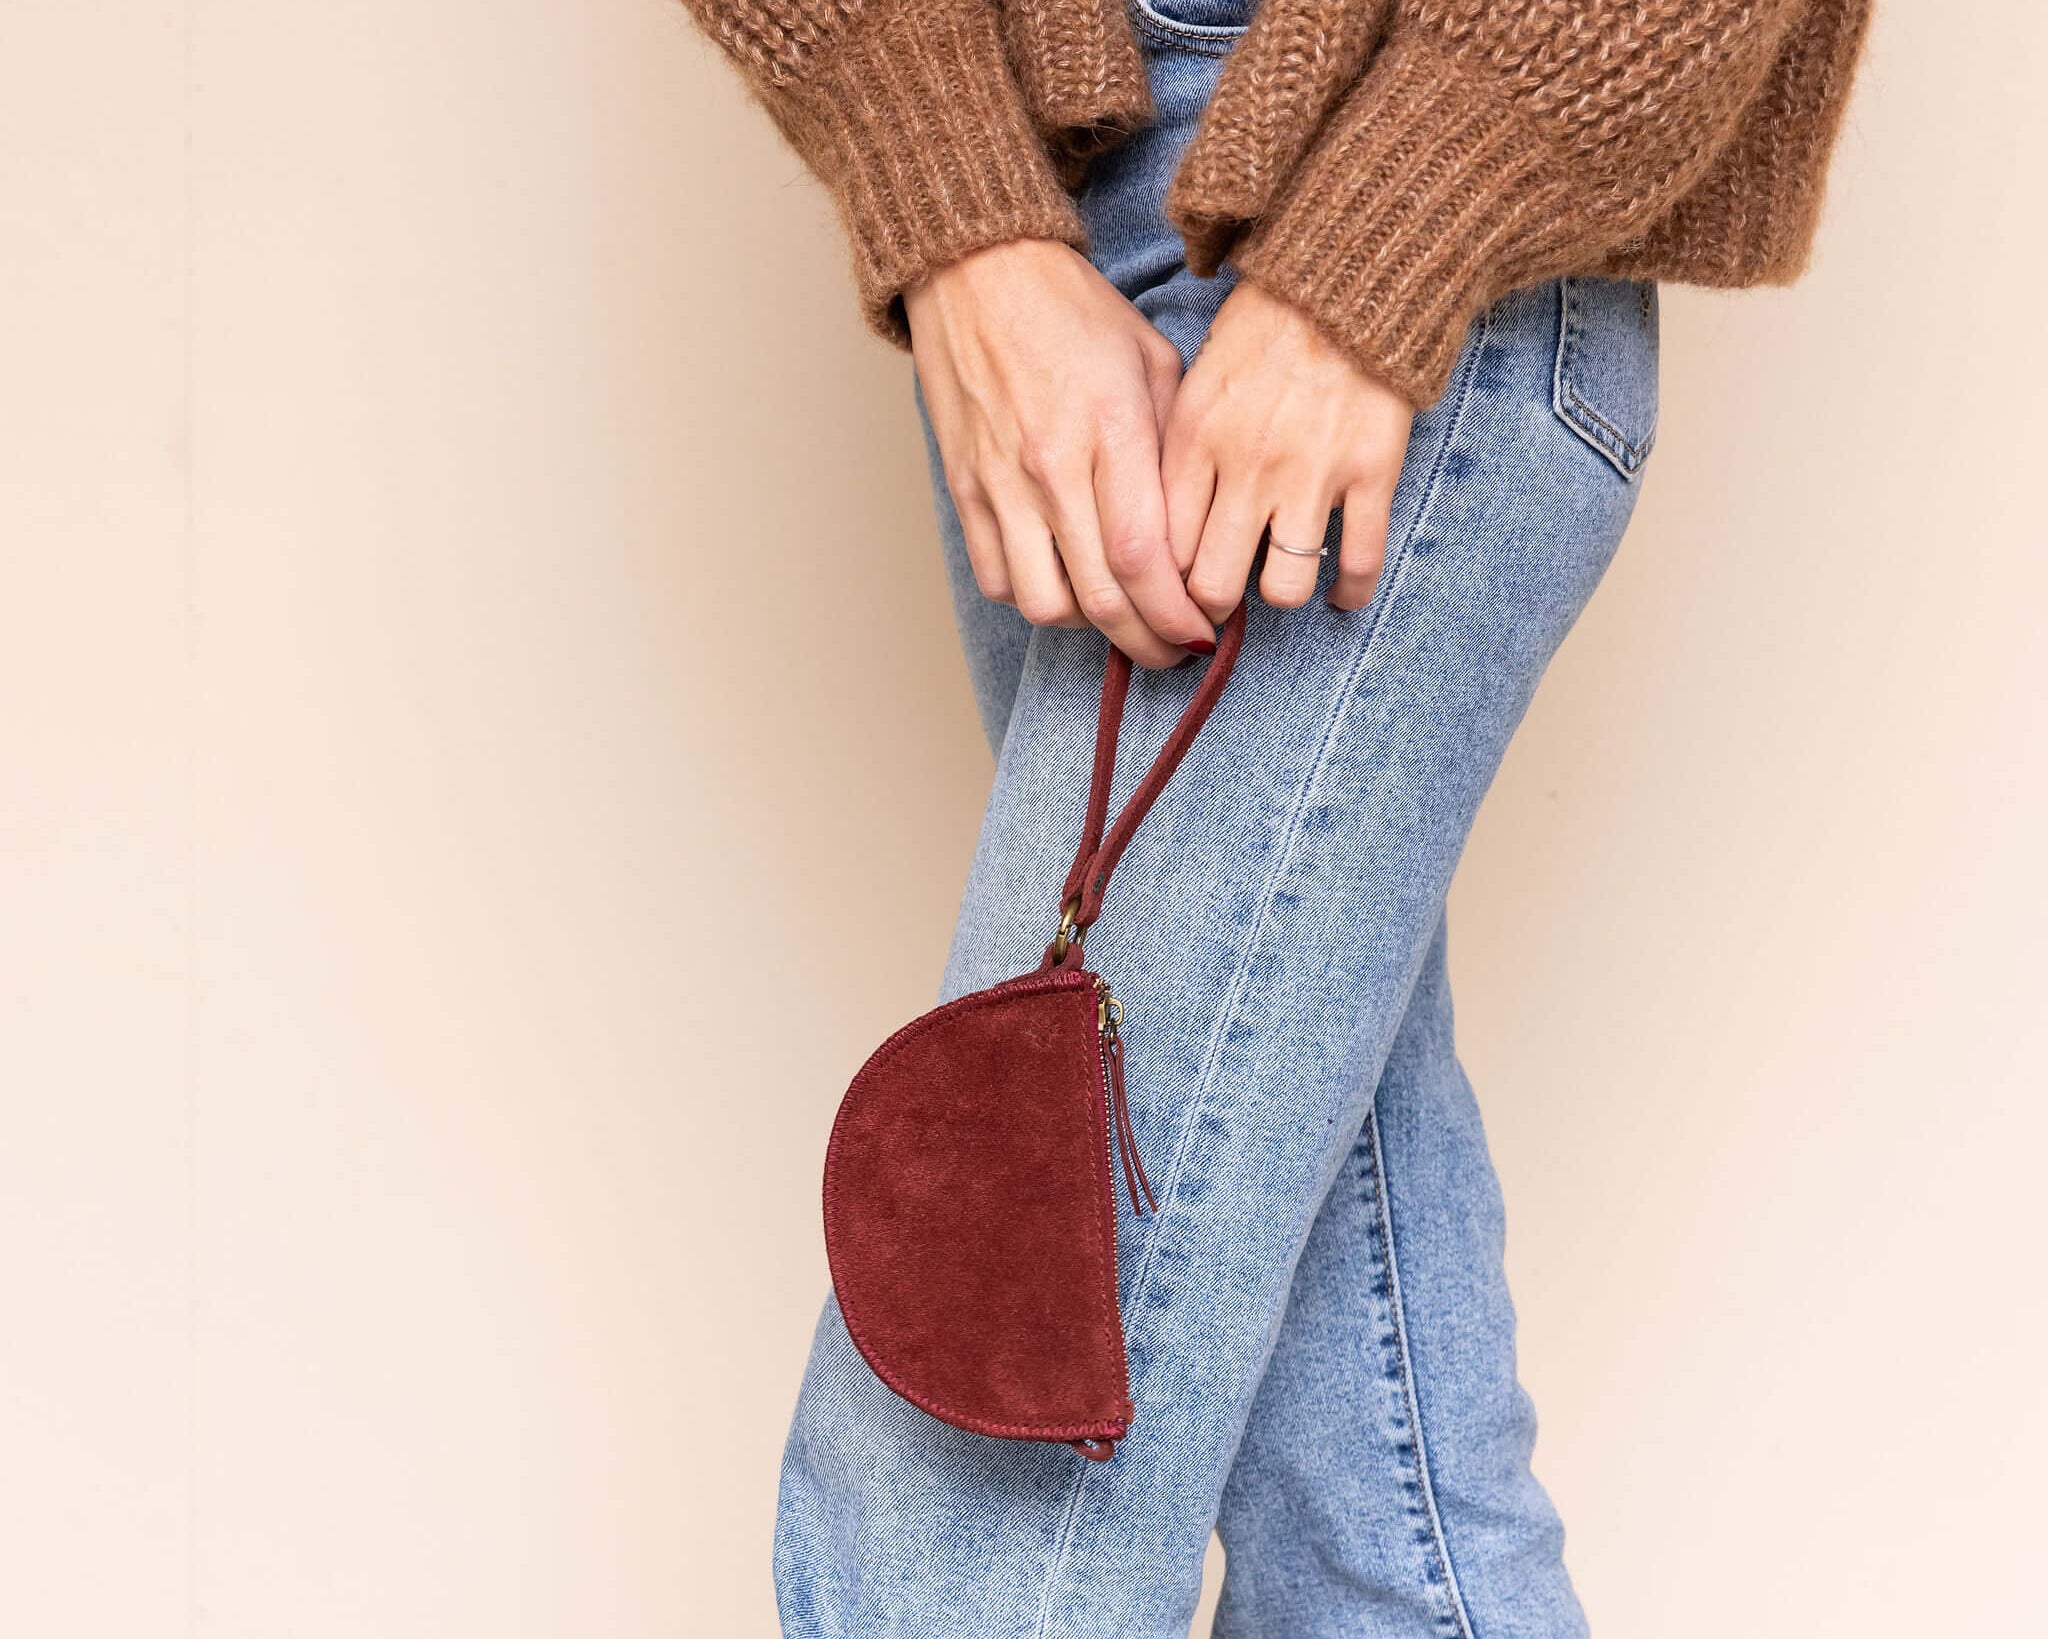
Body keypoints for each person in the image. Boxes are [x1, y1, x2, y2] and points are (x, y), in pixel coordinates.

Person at [680, 0, 1869, 1632]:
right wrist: (950, 192)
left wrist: (1403, 215)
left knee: (979, 1463)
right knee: (1372, 1511)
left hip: (1394, 228)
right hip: (1042, 249)